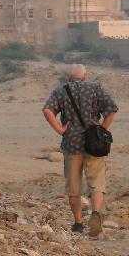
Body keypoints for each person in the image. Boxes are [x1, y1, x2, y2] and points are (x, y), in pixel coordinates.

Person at [42, 64, 118, 237]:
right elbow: (112, 108)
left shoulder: (61, 91)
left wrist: (60, 130)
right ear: (85, 76)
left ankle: (77, 223)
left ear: (69, 77)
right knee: (97, 182)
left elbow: (47, 110)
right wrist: (102, 131)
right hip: (94, 145)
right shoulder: (95, 88)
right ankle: (96, 214)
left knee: (74, 187)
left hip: (71, 145)